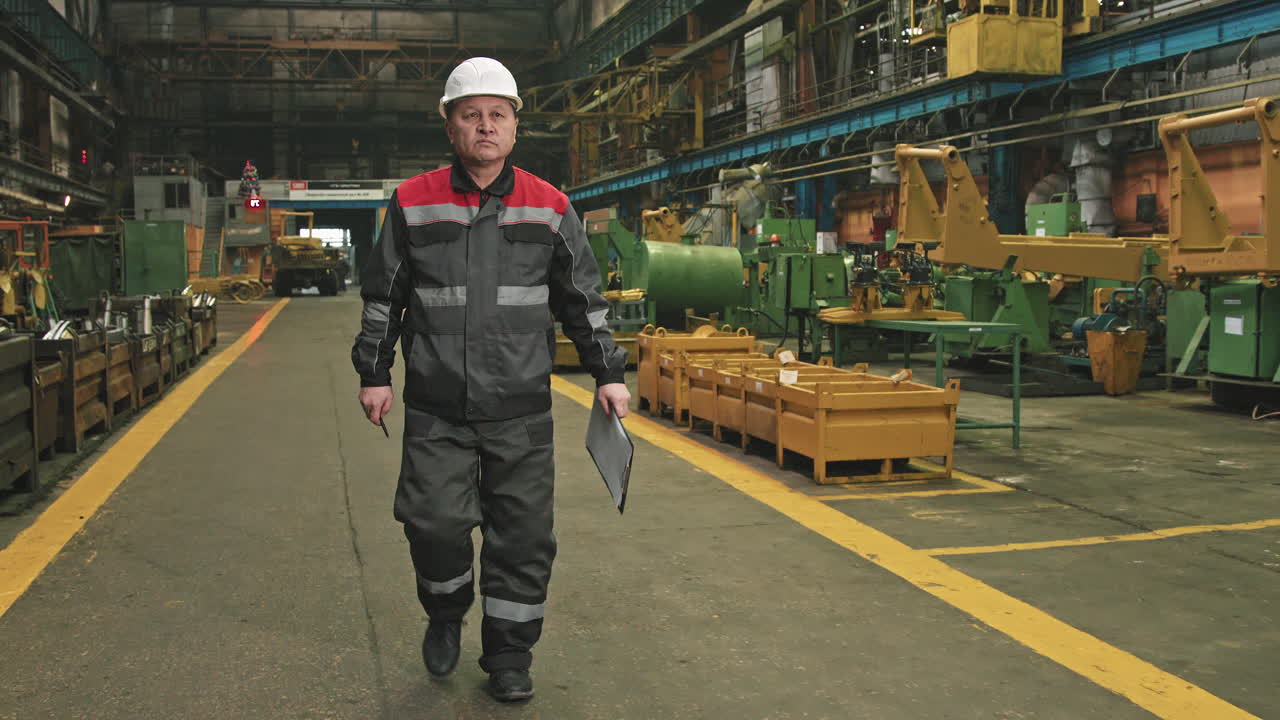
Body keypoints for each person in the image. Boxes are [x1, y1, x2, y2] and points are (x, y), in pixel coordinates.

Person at [351, 57, 630, 703]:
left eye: (497, 115)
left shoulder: (551, 206)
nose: (485, 126)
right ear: (450, 125)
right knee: (433, 525)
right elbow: (383, 296)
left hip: (520, 411)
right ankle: (445, 612)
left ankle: (509, 655)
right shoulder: (413, 201)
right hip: (437, 406)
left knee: (523, 539)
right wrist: (374, 372)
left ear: (514, 126)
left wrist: (608, 374)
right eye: (471, 114)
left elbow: (583, 301)